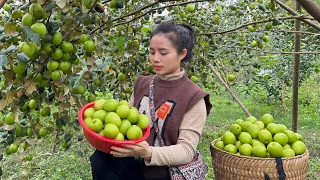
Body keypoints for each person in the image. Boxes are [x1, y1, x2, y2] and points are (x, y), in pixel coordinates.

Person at [90, 20, 212, 180]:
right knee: (100, 158)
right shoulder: (142, 83)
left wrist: (148, 153)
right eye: (152, 52)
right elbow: (126, 121)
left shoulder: (194, 97)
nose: (155, 59)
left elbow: (186, 151)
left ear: (182, 54)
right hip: (133, 166)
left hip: (164, 174)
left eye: (163, 53)